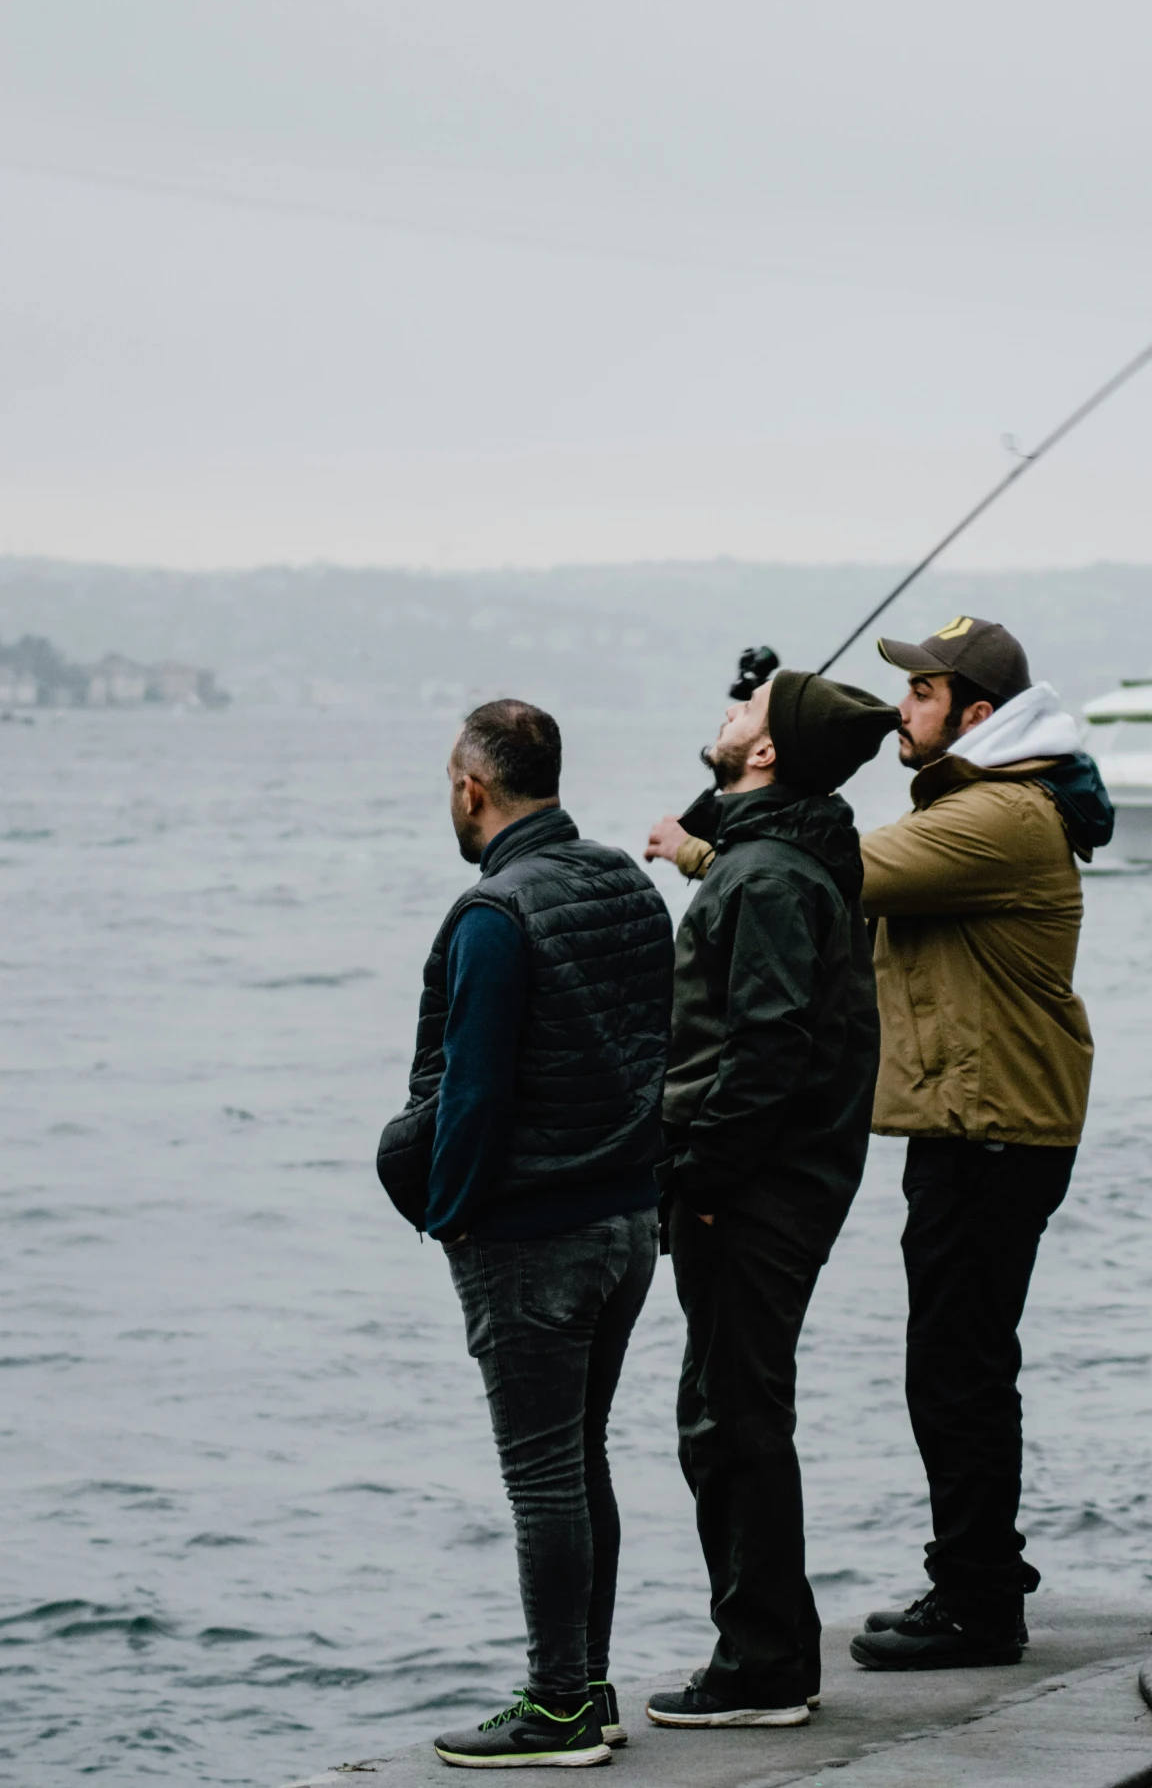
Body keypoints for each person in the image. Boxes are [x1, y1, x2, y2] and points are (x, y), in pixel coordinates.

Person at [379, 698, 674, 1770]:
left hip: (536, 1237)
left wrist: (448, 1211)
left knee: (541, 1475)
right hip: (629, 1222)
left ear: (472, 784)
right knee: (579, 1456)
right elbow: (658, 1043)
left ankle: (557, 1708)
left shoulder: (494, 913)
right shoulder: (626, 882)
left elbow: (473, 1092)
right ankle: (585, 1690)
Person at [847, 616, 1113, 1672]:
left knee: (955, 1367)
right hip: (978, 1116)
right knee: (959, 1359)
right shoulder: (988, 803)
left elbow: (837, 871)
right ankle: (973, 1578)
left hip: (992, 1122)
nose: (898, 710)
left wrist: (705, 830)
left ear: (977, 715)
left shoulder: (996, 815)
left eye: (919, 693)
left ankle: (979, 1604)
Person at [641, 669, 900, 1727]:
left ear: (768, 755)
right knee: (728, 1413)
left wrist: (702, 1179)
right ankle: (764, 1652)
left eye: (746, 713)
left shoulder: (771, 880)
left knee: (731, 1420)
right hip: (768, 1182)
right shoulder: (784, 850)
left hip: (753, 1191)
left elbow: (768, 1048)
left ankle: (763, 1667)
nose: (726, 716)